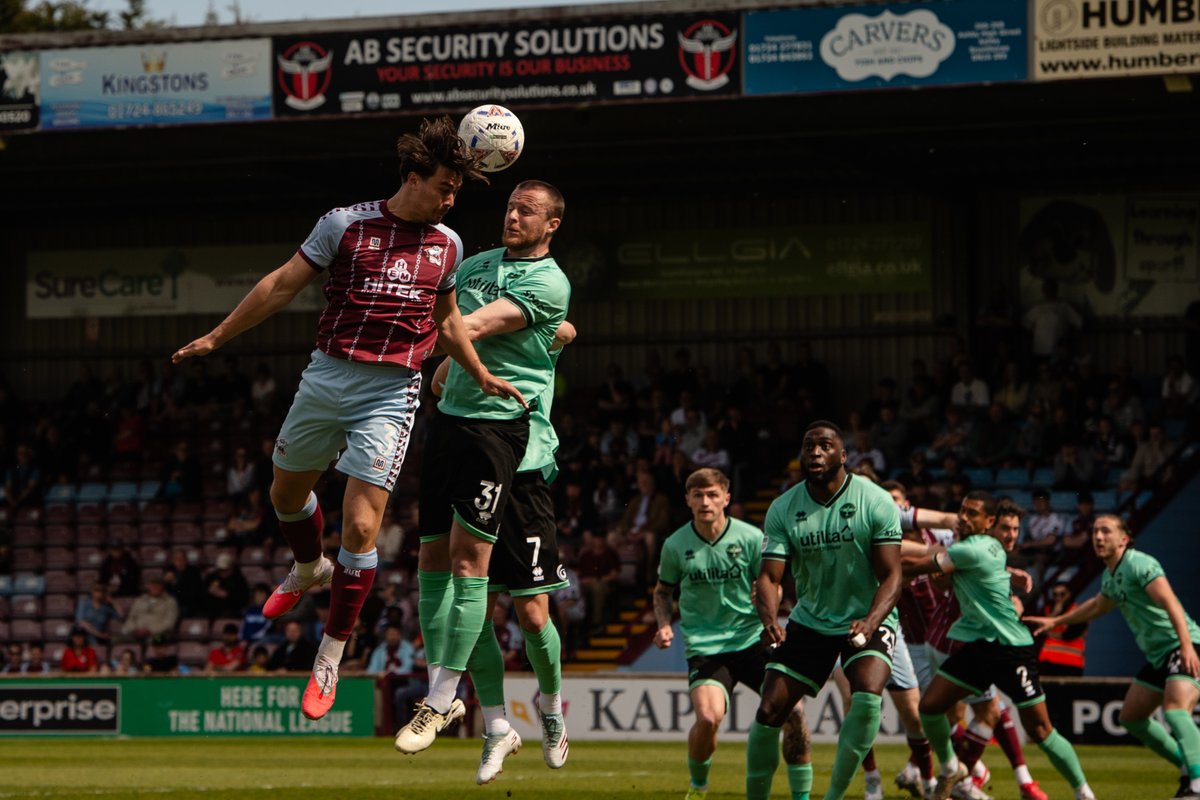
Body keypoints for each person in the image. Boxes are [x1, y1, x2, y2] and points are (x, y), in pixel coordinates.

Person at [171, 116, 521, 720]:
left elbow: (448, 322)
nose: (449, 199)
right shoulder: (345, 224)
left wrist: (480, 370)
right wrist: (217, 336)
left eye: (456, 191)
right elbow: (281, 285)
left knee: (361, 527)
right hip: (328, 375)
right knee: (284, 495)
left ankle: (330, 654)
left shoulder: (449, 244)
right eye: (443, 186)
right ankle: (309, 566)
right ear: (412, 176)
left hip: (392, 391)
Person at [396, 180, 572, 785]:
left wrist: (427, 333)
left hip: (518, 452)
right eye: (510, 206)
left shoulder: (548, 282)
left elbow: (468, 323)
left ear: (552, 225)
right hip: (455, 430)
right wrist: (445, 363)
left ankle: (549, 708)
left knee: (529, 614)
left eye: (528, 210)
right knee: (447, 574)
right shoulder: (474, 263)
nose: (514, 215)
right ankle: (495, 724)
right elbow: (457, 331)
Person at [904, 492, 1096, 800]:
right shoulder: (987, 547)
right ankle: (953, 767)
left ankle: (1083, 793)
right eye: (962, 510)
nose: (962, 517)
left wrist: (879, 558)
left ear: (987, 521)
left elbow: (921, 568)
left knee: (1040, 730)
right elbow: (955, 570)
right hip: (978, 646)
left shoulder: (973, 549)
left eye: (971, 513)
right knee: (930, 707)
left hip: (1010, 649)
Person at [747, 421, 903, 800]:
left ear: (843, 455)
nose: (815, 452)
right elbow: (769, 577)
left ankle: (833, 796)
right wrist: (770, 619)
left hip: (864, 618)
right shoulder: (784, 507)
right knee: (769, 712)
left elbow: (893, 575)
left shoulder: (876, 500)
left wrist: (871, 620)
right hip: (810, 620)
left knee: (866, 697)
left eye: (825, 445)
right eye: (808, 446)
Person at [652, 468, 811, 800]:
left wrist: (771, 601)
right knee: (708, 719)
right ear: (688, 500)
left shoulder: (751, 538)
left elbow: (773, 584)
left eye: (712, 495)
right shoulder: (675, 544)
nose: (705, 502)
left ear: (726, 498)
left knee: (794, 714)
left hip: (752, 639)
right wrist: (664, 624)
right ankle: (698, 787)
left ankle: (802, 797)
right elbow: (663, 592)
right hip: (706, 646)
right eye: (698, 495)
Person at [1027, 514, 1200, 799]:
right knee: (1131, 717)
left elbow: (1172, 604)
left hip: (1184, 645)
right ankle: (1186, 766)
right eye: (1095, 531)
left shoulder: (1139, 564)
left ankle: (1197, 781)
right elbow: (1096, 607)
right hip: (1160, 656)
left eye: (1106, 531)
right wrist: (1055, 622)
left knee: (1175, 709)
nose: (1098, 537)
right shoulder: (1111, 576)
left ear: (1124, 538)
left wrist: (1187, 646)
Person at [1034, 582, 1086, 677]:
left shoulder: (1077, 611)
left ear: (1069, 594)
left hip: (1071, 663)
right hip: (1049, 662)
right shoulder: (1048, 610)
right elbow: (1039, 630)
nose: (1058, 598)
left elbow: (1069, 635)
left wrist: (1049, 634)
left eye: (1062, 594)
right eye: (1055, 595)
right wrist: (1054, 613)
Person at [121, 575, 179, 645]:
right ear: (148, 586)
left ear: (162, 587)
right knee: (117, 639)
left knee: (157, 640)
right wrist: (134, 629)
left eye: (158, 586)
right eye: (152, 585)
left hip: (157, 635)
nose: (155, 588)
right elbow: (131, 618)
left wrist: (150, 630)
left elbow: (169, 623)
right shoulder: (140, 600)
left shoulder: (170, 602)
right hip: (137, 634)